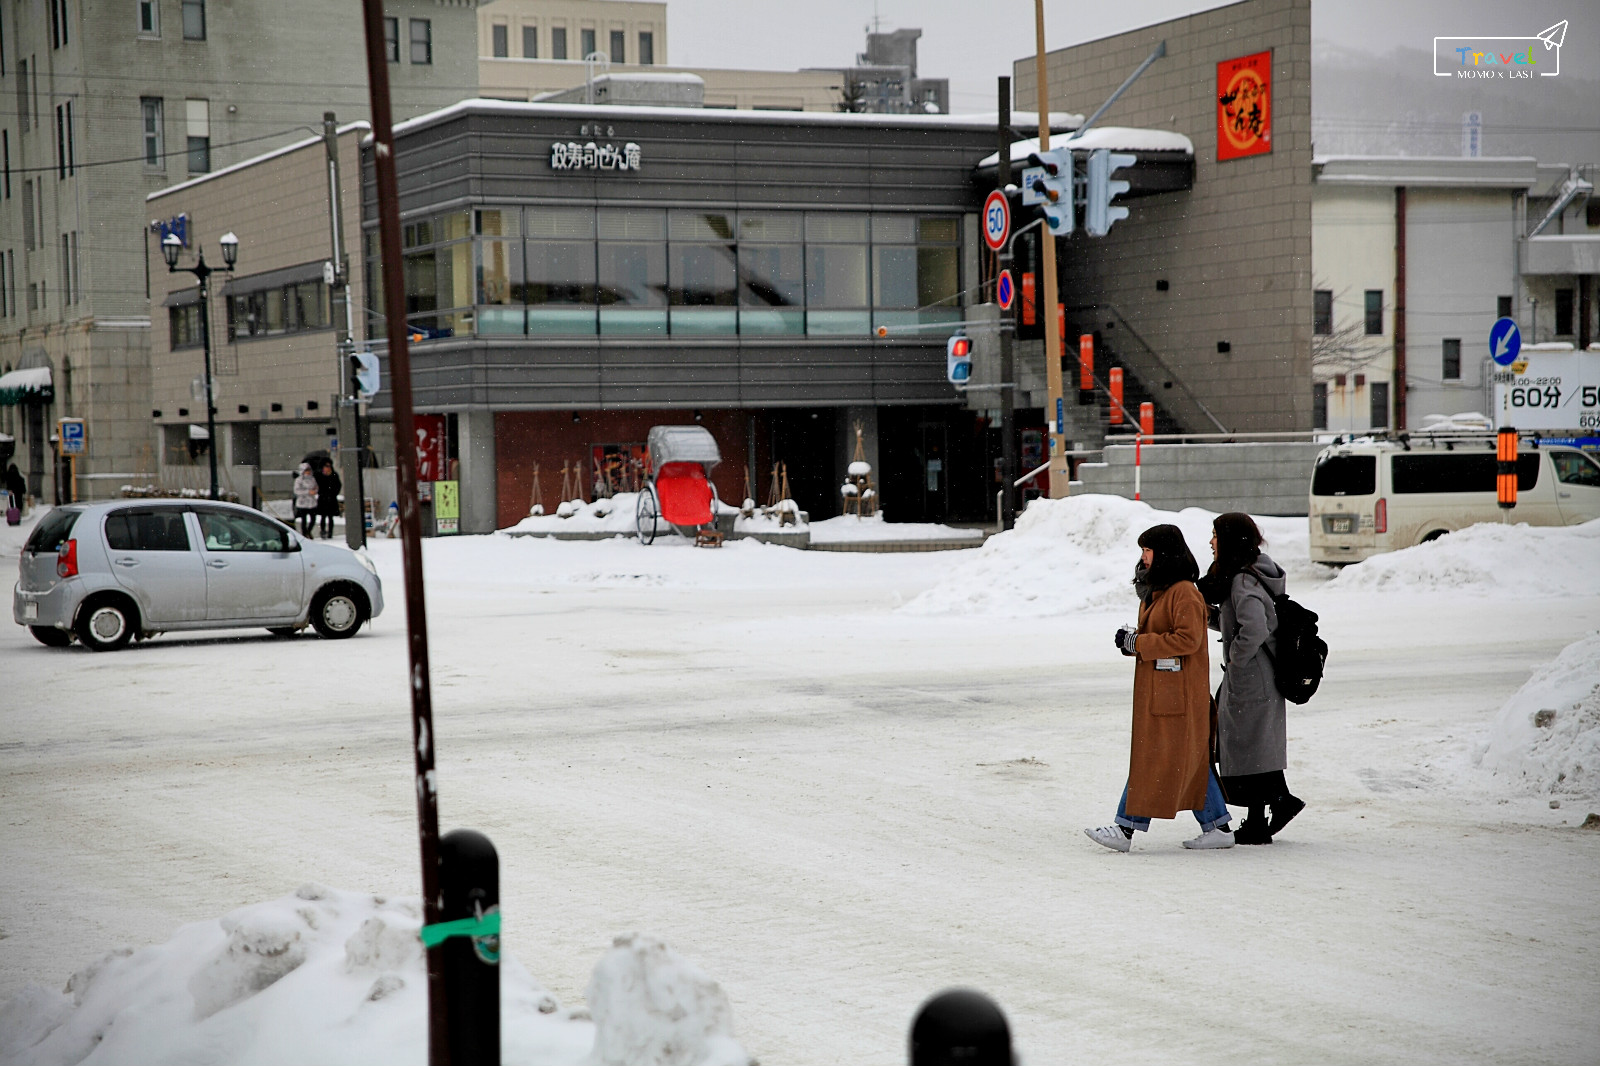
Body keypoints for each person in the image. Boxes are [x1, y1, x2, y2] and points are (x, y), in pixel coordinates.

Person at [1086, 524, 1235, 852]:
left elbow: (1188, 639)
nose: (1143, 558)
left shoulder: (1183, 591)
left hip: (1178, 696)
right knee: (1188, 759)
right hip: (1167, 693)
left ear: (1164, 553)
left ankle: (1125, 829)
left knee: (1155, 757)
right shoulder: (1161, 589)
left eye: (1148, 551)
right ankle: (1218, 825)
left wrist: (1138, 642)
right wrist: (1133, 643)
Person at [1199, 512, 1306, 845]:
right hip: (1260, 674)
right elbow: (1244, 620)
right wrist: (1215, 619)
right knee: (1256, 744)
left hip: (1251, 675)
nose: (1211, 541)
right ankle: (1270, 810)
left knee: (1247, 745)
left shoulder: (1243, 579)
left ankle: (1262, 818)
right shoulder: (1254, 572)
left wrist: (1235, 659)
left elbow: (1256, 627)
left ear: (1229, 539)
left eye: (1215, 535)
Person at [315, 460, 342, 539]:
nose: (328, 468)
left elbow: (338, 485)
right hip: (323, 498)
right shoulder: (319, 475)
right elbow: (316, 485)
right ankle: (323, 531)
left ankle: (330, 532)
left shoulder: (334, 475)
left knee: (331, 517)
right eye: (326, 466)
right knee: (323, 516)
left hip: (331, 498)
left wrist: (334, 493)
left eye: (329, 466)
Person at [292, 463, 318, 537]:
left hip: (311, 502)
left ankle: (308, 531)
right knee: (304, 520)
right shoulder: (299, 480)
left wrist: (315, 491)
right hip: (302, 502)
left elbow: (316, 487)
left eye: (309, 470)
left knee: (313, 519)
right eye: (306, 470)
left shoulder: (312, 479)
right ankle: (304, 533)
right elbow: (296, 491)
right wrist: (308, 492)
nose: (308, 472)